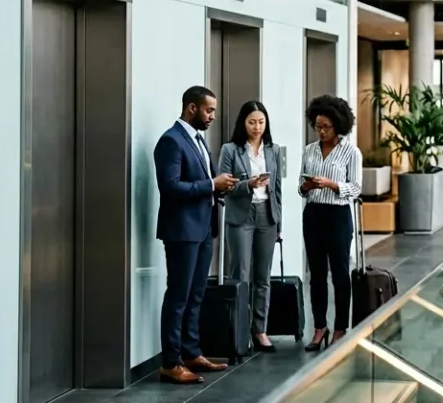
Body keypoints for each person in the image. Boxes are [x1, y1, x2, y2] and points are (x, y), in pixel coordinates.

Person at [155, 86, 238, 384]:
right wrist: (211, 185)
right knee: (178, 296)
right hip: (181, 232)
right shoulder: (171, 141)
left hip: (203, 230)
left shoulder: (200, 142)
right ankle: (171, 363)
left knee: (196, 295)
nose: (213, 116)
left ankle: (191, 352)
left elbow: (206, 183)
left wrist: (222, 186)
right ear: (192, 108)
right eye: (209, 110)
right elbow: (171, 187)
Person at [299, 95, 363, 351]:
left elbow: (357, 188)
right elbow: (301, 190)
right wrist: (306, 185)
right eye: (317, 126)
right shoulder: (309, 150)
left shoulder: (351, 152)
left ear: (339, 125)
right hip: (313, 213)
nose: (321, 131)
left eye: (326, 127)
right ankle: (318, 328)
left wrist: (332, 184)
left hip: (338, 216)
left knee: (339, 273)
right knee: (316, 275)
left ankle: (339, 328)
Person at [218, 101, 283, 353]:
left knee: (263, 278)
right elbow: (224, 185)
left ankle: (260, 331)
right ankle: (239, 331)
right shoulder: (230, 150)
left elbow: (276, 190)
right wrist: (249, 184)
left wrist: (279, 223)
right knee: (241, 276)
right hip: (241, 217)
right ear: (242, 123)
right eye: (252, 122)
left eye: (261, 122)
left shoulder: (273, 150)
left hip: (267, 215)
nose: (257, 127)